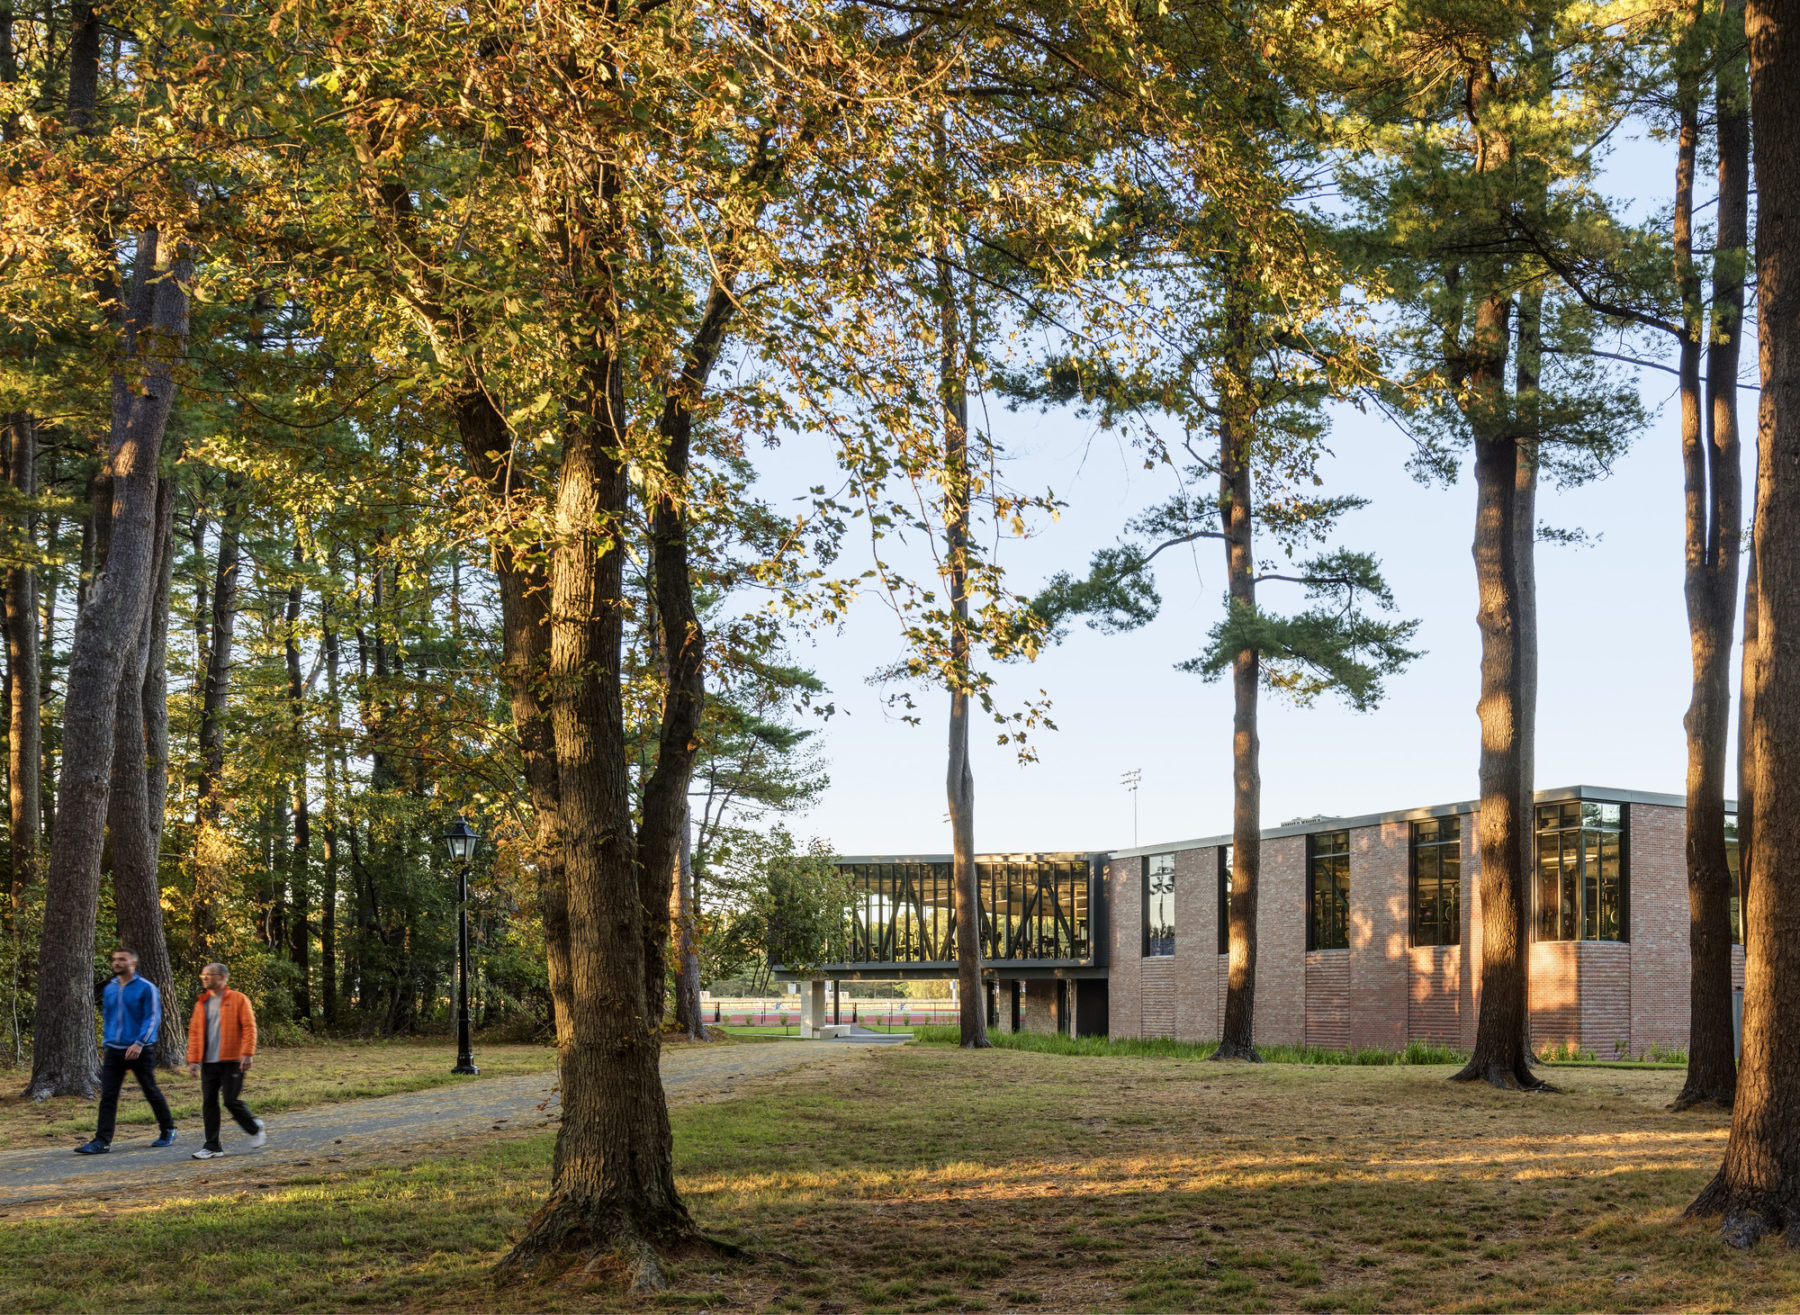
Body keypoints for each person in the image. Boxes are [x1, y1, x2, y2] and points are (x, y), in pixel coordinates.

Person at [74, 949, 178, 1154]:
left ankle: (168, 1129)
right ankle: (101, 1141)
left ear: (133, 963)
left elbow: (153, 1018)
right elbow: (109, 1018)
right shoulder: (110, 988)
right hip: (114, 1050)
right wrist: (107, 1043)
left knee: (150, 1089)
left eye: (122, 959)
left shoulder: (146, 988)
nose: (117, 963)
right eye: (115, 959)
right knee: (108, 1095)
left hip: (140, 1049)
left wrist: (140, 1043)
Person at [185, 962, 265, 1159]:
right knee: (209, 1103)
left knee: (230, 1101)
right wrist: (193, 1060)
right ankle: (212, 1146)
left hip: (233, 1060)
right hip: (209, 1062)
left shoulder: (238, 999)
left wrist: (247, 1053)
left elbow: (249, 1027)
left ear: (222, 978)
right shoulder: (201, 1003)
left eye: (209, 975)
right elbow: (194, 1033)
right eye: (203, 975)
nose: (205, 978)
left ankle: (255, 1128)